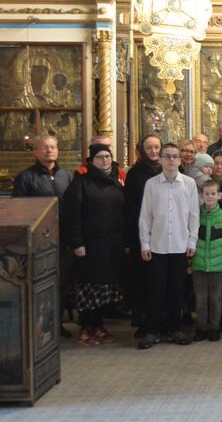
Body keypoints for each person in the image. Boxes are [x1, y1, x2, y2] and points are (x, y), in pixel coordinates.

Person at [137, 143, 200, 349]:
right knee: (155, 289)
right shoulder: (152, 184)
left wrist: (192, 240)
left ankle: (175, 329)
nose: (171, 160)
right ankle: (153, 331)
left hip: (181, 245)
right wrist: (145, 243)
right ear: (161, 160)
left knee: (176, 289)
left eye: (175, 156)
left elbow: (193, 215)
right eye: (167, 156)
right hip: (157, 245)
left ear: (180, 160)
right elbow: (145, 216)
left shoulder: (189, 184)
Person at [63, 143, 126, 346]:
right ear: (91, 161)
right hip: (89, 245)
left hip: (111, 244)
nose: (105, 160)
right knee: (89, 288)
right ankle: (86, 327)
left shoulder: (116, 180)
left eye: (107, 156)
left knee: (103, 288)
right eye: (100, 157)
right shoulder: (81, 182)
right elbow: (72, 216)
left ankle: (98, 326)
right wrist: (77, 242)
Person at [12, 135, 73, 338]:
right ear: (35, 152)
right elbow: (19, 209)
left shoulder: (67, 176)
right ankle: (39, 327)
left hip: (63, 237)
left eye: (53, 147)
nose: (49, 151)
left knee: (61, 282)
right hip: (39, 240)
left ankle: (56, 324)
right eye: (45, 147)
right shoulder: (26, 177)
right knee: (40, 282)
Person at [124, 134, 162, 335]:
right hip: (143, 233)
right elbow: (131, 208)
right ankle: (145, 321)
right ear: (142, 150)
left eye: (157, 147)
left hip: (164, 233)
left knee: (161, 279)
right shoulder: (135, 174)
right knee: (144, 280)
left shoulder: (168, 170)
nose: (154, 152)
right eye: (150, 148)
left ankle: (162, 320)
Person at [191, 180, 222, 342]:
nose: (210, 197)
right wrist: (189, 263)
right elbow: (190, 240)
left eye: (213, 194)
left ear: (219, 196)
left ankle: (214, 328)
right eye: (206, 194)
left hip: (218, 266)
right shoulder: (195, 215)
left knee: (216, 298)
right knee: (201, 298)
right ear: (202, 195)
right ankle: (201, 328)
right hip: (198, 264)